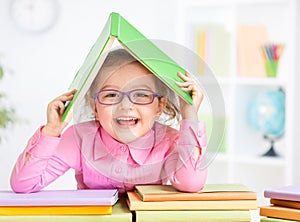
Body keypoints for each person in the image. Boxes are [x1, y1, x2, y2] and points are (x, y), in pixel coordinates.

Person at [10, 48, 207, 194]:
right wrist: (51, 131)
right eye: (112, 95)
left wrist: (190, 115)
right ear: (95, 106)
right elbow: (24, 184)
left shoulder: (170, 140)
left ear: (159, 106)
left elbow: (191, 183)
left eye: (140, 94)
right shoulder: (79, 139)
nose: (126, 105)